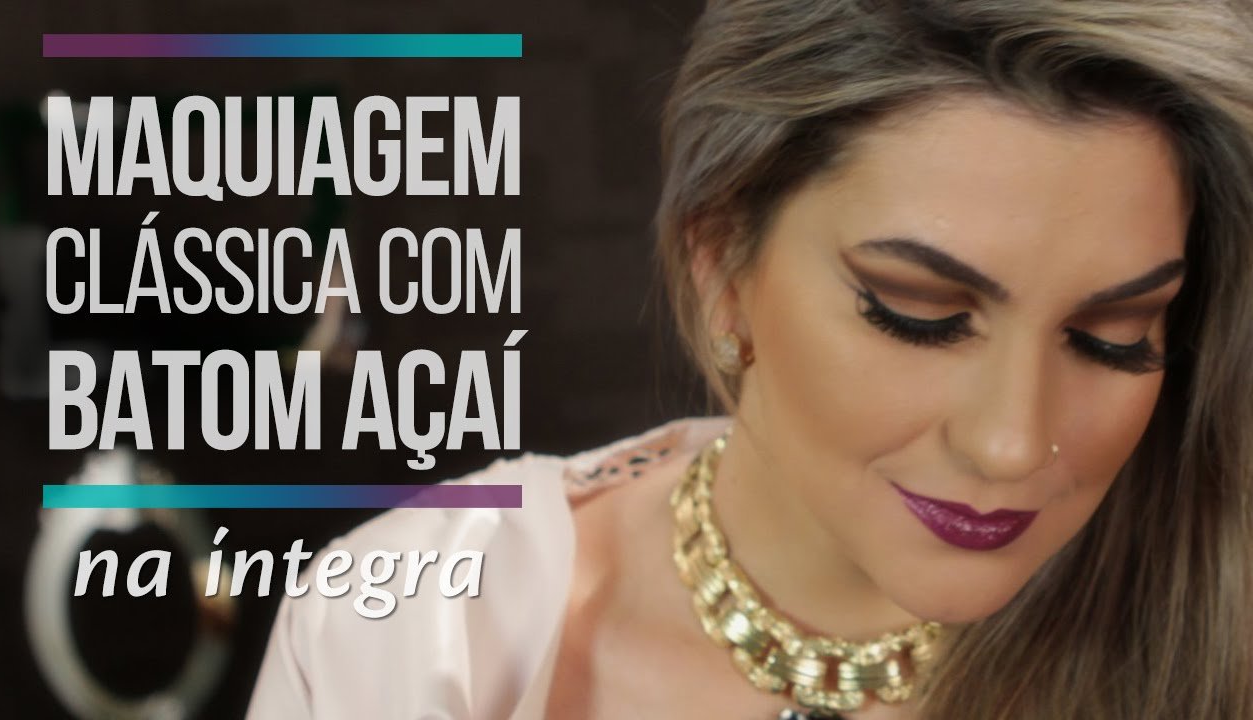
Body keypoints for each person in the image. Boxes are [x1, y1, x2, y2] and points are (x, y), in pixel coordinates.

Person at [247, 1, 1253, 718]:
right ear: (722, 266)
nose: (1010, 443)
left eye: (1113, 335)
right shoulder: (417, 630)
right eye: (918, 316)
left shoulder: (1215, 628)